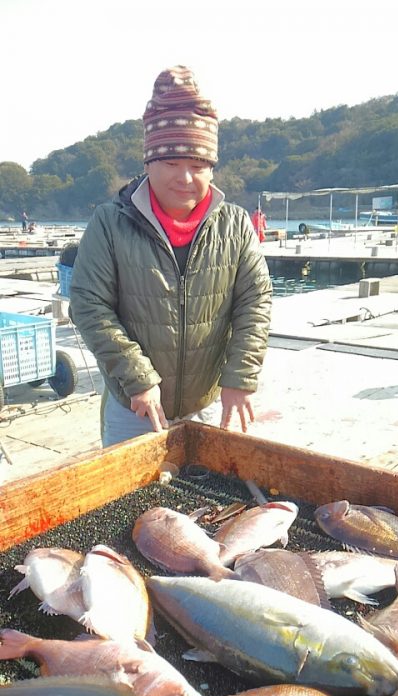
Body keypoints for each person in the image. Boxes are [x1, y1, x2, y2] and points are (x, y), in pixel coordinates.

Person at [70, 65, 272, 448]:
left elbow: (255, 301)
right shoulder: (110, 223)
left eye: (198, 166)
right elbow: (88, 304)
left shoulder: (234, 224)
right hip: (135, 405)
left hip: (209, 403)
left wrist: (240, 377)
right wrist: (138, 378)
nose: (185, 178)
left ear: (212, 169)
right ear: (148, 163)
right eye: (171, 163)